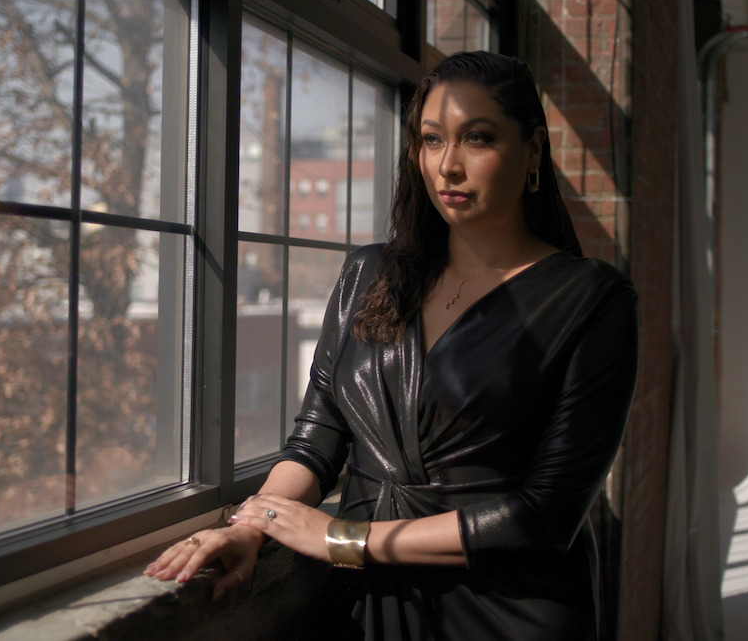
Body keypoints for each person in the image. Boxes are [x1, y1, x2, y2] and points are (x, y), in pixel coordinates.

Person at [145, 50, 638, 640]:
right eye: (432, 140)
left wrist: (338, 539)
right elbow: (318, 437)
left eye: (477, 138)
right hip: (361, 603)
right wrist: (254, 525)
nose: (447, 166)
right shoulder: (369, 274)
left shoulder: (593, 300)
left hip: (508, 609)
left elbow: (546, 516)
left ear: (533, 150)